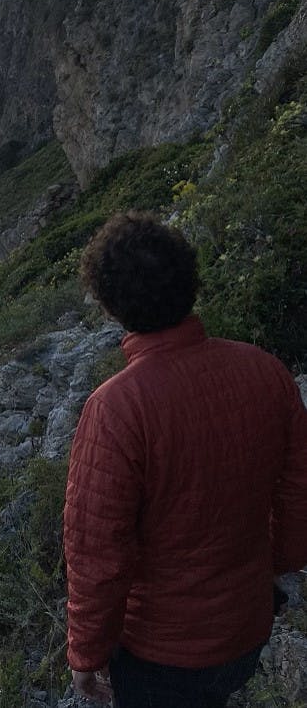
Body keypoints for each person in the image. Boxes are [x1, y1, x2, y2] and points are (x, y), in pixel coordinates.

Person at [63, 211, 307, 707]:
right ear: (189, 281)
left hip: (161, 654)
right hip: (247, 627)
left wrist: (85, 657)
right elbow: (299, 489)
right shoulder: (266, 370)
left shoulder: (116, 408)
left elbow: (98, 555)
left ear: (111, 305)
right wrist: (277, 565)